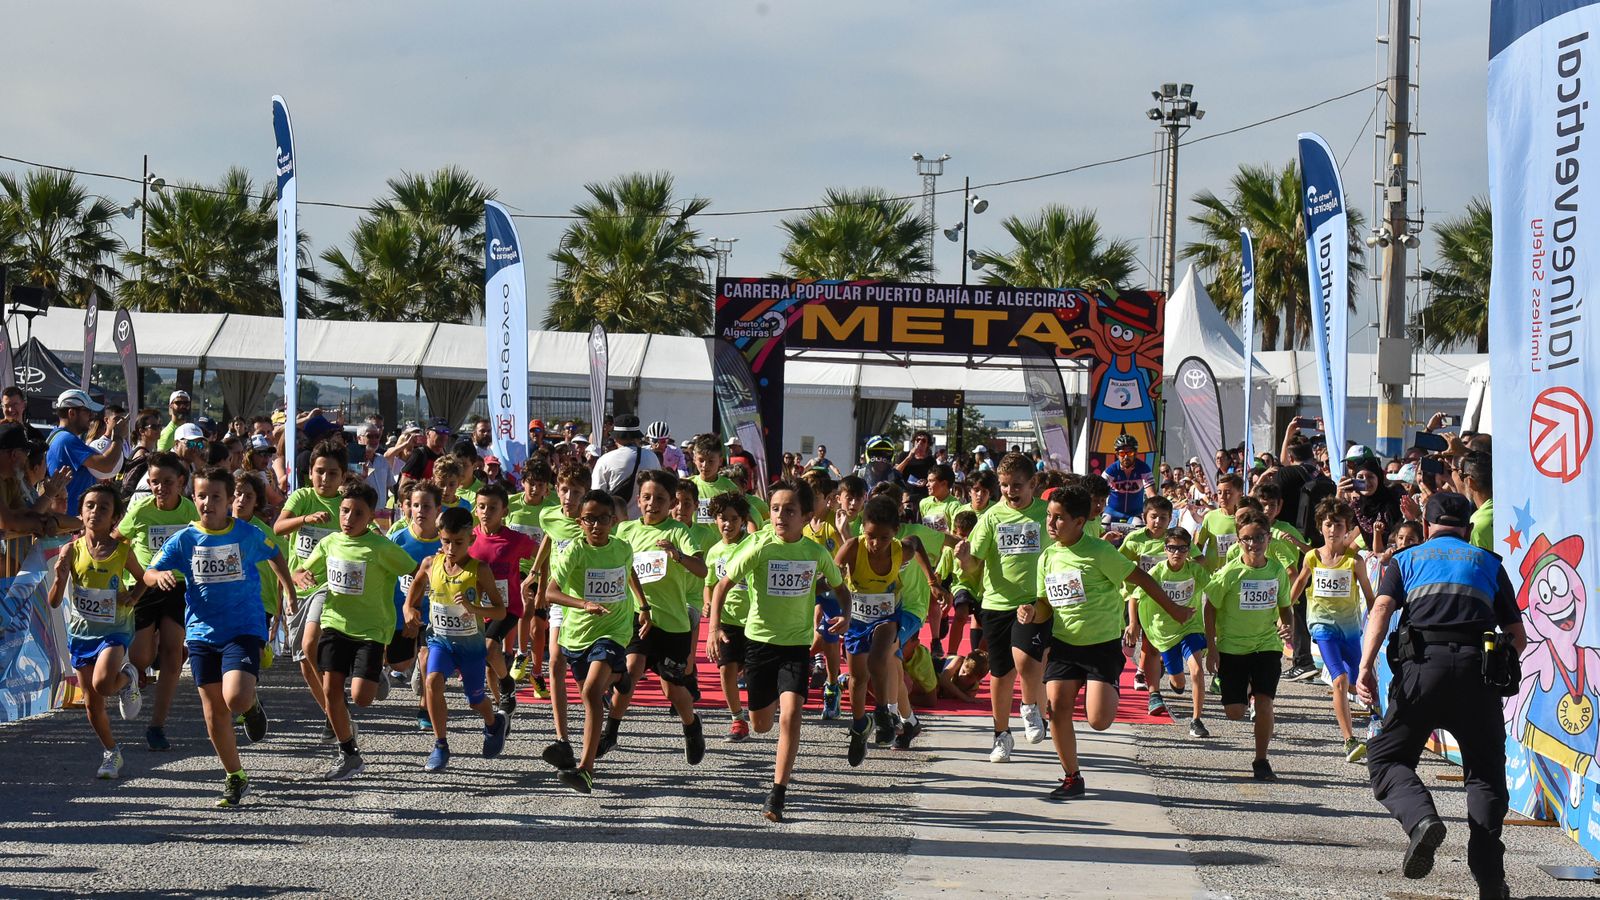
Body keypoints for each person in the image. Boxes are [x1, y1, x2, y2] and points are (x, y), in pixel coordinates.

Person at [1356, 492, 1524, 899]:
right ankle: (1489, 880)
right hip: (1477, 675)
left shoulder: (1406, 560)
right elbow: (1517, 636)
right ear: (1466, 527)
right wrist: (1498, 665)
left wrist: (1366, 666)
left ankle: (1421, 821)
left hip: (1421, 674)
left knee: (1387, 757)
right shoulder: (1488, 563)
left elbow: (1380, 610)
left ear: (1427, 526)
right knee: (1484, 775)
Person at [145, 467, 295, 807]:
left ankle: (251, 705)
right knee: (214, 710)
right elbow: (150, 571)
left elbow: (274, 553)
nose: (208, 503)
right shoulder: (184, 539)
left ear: (229, 500)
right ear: (193, 498)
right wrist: (160, 575)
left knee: (236, 697)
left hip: (242, 628)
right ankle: (235, 776)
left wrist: (287, 589)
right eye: (202, 496)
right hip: (200, 632)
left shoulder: (246, 534)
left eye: (216, 497)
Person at [1033, 485, 1189, 799]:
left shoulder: (1100, 552)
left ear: (1079, 522)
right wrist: (1029, 612)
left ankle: (1111, 684)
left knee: (1099, 720)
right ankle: (1072, 777)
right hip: (1064, 643)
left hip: (1101, 645)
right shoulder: (1048, 556)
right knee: (1057, 708)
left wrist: (1173, 609)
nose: (1051, 524)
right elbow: (1044, 604)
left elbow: (1142, 579)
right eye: (1049, 516)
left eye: (1059, 518)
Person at [711, 478, 851, 822]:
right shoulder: (759, 546)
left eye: (789, 510)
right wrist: (714, 628)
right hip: (758, 644)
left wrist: (846, 615)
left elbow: (840, 587)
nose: (780, 516)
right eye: (775, 509)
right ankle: (760, 709)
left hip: (796, 646)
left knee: (791, 716)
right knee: (761, 724)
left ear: (805, 516)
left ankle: (777, 793)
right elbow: (722, 586)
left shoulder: (816, 552)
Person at [291, 480, 421, 781]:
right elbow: (303, 570)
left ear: (371, 516)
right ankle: (349, 753)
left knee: (362, 697)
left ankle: (376, 675)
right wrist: (301, 576)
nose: (348, 518)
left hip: (371, 631)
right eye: (345, 511)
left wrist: (411, 605)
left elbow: (418, 572)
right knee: (331, 689)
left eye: (357, 513)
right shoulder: (330, 543)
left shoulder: (382, 548)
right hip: (335, 623)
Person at [543, 489, 650, 794]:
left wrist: (643, 607)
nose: (595, 525)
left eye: (602, 519)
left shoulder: (622, 547)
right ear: (580, 522)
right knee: (588, 689)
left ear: (613, 521)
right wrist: (583, 604)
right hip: (578, 635)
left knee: (591, 693)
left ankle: (585, 769)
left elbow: (629, 572)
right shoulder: (574, 552)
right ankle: (619, 675)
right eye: (589, 519)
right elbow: (551, 592)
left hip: (614, 630)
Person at [956, 452, 1050, 762]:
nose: (1010, 491)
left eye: (1017, 485)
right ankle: (1001, 735)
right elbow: (974, 566)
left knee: (1027, 660)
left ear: (1033, 484)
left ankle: (1029, 707)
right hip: (995, 603)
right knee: (1000, 672)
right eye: (1005, 485)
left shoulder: (1046, 514)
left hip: (1034, 601)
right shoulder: (992, 517)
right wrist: (964, 557)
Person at [833, 495, 940, 767]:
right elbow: (831, 578)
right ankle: (859, 727)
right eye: (871, 536)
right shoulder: (851, 548)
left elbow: (916, 545)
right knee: (857, 680)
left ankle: (883, 713)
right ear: (863, 529)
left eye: (883, 538)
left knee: (880, 658)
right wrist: (832, 600)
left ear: (894, 534)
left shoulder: (899, 549)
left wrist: (932, 580)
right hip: (856, 619)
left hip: (887, 615)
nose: (876, 544)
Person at [403, 505, 510, 772]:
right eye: (446, 542)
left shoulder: (479, 570)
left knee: (476, 702)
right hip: (440, 640)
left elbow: (500, 610)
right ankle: (440, 745)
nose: (451, 549)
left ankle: (494, 722)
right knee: (432, 680)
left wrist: (476, 610)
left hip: (471, 647)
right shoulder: (431, 563)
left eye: (458, 542)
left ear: (471, 540)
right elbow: (415, 587)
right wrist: (408, 608)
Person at [49, 484, 146, 779]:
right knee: (92, 704)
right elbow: (54, 601)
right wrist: (59, 577)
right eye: (90, 506)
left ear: (115, 517)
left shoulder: (122, 551)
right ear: (80, 512)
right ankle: (111, 753)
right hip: (81, 632)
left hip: (115, 629)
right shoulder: (71, 549)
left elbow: (144, 580)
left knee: (104, 685)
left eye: (103, 507)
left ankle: (128, 676)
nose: (95, 512)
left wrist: (132, 597)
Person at [611, 469, 708, 762]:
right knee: (631, 669)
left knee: (672, 690)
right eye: (647, 497)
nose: (652, 503)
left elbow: (702, 570)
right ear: (638, 501)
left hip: (672, 622)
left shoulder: (678, 532)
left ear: (671, 504)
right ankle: (610, 732)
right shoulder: (625, 531)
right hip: (637, 617)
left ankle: (691, 726)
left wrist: (677, 555)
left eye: (660, 499)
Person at [114, 451, 197, 751]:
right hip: (145, 586)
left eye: (167, 482)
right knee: (141, 658)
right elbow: (117, 541)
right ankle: (133, 678)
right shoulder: (140, 510)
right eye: (154, 482)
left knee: (174, 654)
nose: (160, 488)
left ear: (181, 482)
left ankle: (157, 726)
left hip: (178, 586)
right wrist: (133, 574)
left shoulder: (191, 512)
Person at [1204, 508, 1294, 781]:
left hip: (1266, 645)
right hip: (1233, 647)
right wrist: (1212, 646)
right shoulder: (1231, 573)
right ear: (1238, 541)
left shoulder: (1277, 570)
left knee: (1265, 702)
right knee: (1234, 712)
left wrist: (1286, 625)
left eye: (1259, 538)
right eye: (1247, 539)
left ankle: (1261, 760)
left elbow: (1285, 605)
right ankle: (1245, 688)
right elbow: (1209, 606)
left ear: (1268, 538)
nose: (1254, 544)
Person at [1289, 498, 1377, 763]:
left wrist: (1379, 620)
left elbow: (1370, 597)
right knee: (1338, 680)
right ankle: (1349, 740)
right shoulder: (1312, 557)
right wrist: (1281, 614)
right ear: (1320, 527)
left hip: (1349, 630)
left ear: (1347, 528)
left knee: (1357, 682)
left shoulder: (1355, 561)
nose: (1332, 530)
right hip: (1322, 626)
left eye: (1338, 525)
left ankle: (1377, 722)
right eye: (1328, 524)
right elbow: (1299, 585)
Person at [276, 441, 348, 735]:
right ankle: (333, 713)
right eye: (320, 472)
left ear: (343, 476)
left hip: (328, 588)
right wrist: (305, 519)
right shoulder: (302, 497)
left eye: (332, 473)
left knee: (310, 644)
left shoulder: (345, 505)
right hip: (296, 588)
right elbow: (278, 527)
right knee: (305, 660)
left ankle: (337, 707)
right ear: (309, 473)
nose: (325, 479)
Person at [1130, 525, 1212, 734]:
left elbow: (1214, 592)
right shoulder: (1157, 572)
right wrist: (1133, 624)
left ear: (1189, 550)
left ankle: (1197, 720)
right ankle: (1173, 676)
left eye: (1183, 549)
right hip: (1165, 632)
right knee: (1178, 682)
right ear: (1165, 549)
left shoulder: (1194, 570)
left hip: (1190, 627)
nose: (1177, 553)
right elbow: (1134, 597)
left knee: (1197, 669)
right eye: (1173, 548)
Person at [470, 484, 538, 715]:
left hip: (509, 607)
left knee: (489, 648)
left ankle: (507, 685)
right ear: (476, 510)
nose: (486, 512)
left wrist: (535, 577)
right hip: (479, 607)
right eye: (482, 507)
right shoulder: (468, 539)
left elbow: (543, 554)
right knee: (488, 661)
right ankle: (503, 709)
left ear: (504, 511)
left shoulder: (515, 540)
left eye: (493, 507)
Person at [388, 481, 443, 730]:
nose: (420, 511)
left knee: (427, 659)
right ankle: (406, 668)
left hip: (434, 613)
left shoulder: (446, 543)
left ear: (438, 509)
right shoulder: (397, 538)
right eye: (415, 505)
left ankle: (425, 708)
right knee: (399, 663)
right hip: (400, 610)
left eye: (427, 506)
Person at [703, 492, 754, 742]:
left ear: (743, 520)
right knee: (726, 670)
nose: (728, 524)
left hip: (755, 621)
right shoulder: (714, 552)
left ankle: (758, 710)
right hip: (727, 619)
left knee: (755, 673)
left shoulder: (752, 544)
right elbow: (710, 583)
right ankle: (737, 719)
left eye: (734, 519)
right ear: (715, 519)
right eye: (723, 518)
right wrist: (707, 603)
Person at [47, 389, 127, 515]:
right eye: (87, 411)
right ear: (72, 413)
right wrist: (117, 436)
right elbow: (106, 465)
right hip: (71, 520)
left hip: (70, 519)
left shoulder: (58, 436)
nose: (92, 416)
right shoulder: (66, 440)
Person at [591, 415, 660, 518]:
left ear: (616, 437)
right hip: (644, 524)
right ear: (637, 436)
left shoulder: (605, 460)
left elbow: (596, 497)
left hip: (614, 524)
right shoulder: (652, 457)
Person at [1102, 434, 1155, 524]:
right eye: (1122, 453)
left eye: (1130, 453)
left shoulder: (1144, 468)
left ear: (1136, 453)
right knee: (1104, 525)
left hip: (1134, 513)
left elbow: (1151, 494)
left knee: (1138, 525)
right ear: (1117, 454)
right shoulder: (1112, 469)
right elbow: (1098, 489)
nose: (1126, 457)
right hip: (1112, 511)